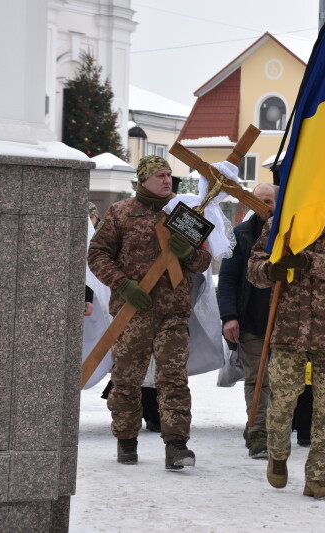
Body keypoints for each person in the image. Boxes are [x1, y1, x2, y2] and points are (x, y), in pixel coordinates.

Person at [88, 155, 212, 470]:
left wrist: (191, 254)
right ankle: (126, 440)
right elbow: (97, 253)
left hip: (173, 313)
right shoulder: (120, 212)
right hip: (132, 311)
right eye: (160, 175)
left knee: (173, 378)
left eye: (170, 175)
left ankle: (177, 445)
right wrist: (121, 283)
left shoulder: (183, 215)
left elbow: (203, 263)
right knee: (126, 378)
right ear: (144, 180)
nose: (167, 180)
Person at [247, 170, 325, 501]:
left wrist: (308, 260)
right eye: (320, 191)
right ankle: (278, 454)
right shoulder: (282, 226)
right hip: (287, 332)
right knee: (282, 403)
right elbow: (253, 268)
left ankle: (318, 478)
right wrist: (271, 270)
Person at [217, 183, 278, 460]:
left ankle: (270, 426)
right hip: (252, 321)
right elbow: (228, 278)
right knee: (258, 378)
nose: (265, 206)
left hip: (284, 322)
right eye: (260, 201)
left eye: (270, 201)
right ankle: (258, 432)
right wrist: (229, 317)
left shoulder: (288, 235)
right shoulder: (240, 235)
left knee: (280, 380)